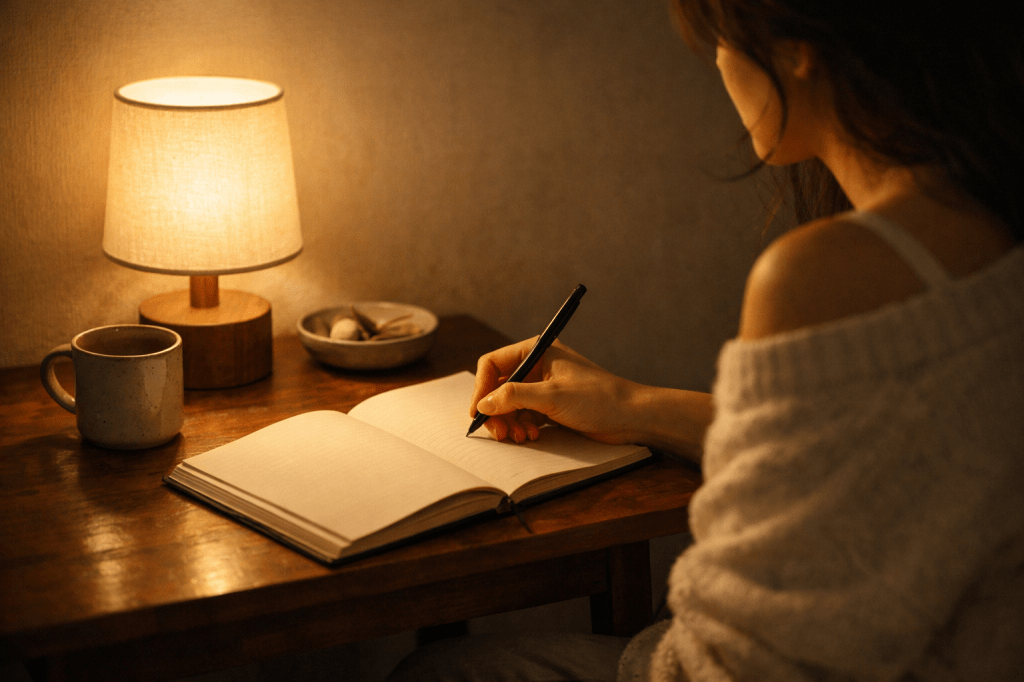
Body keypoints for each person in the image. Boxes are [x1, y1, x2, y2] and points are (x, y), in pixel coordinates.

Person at [388, 0, 1024, 680]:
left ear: (797, 45)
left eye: (720, 39)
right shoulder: (990, 209)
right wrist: (631, 404)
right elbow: (898, 452)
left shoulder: (824, 275)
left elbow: (741, 663)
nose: (719, 64)